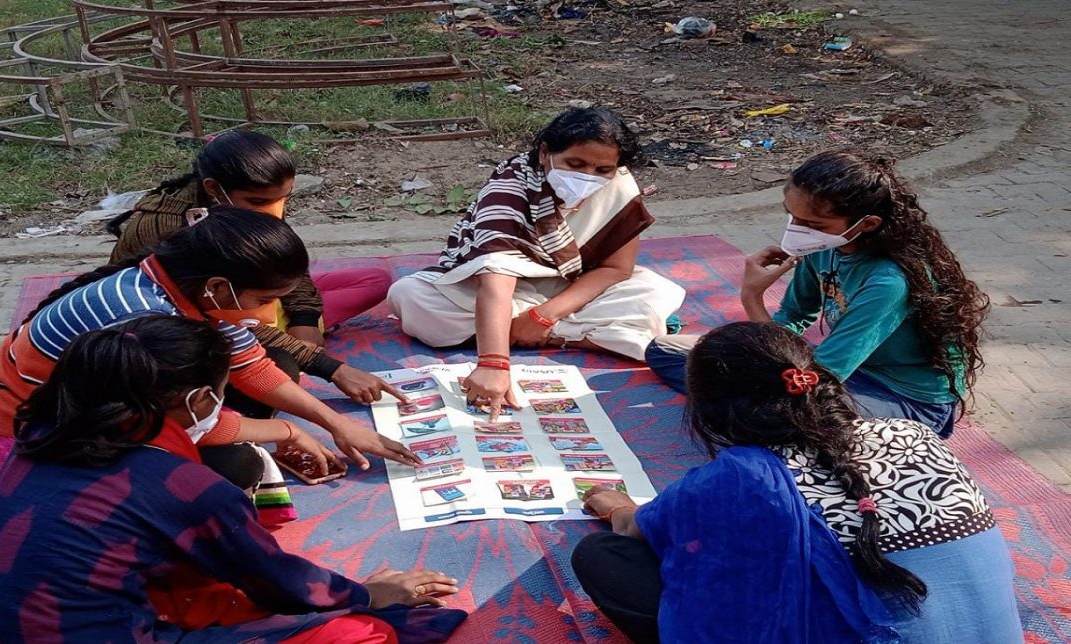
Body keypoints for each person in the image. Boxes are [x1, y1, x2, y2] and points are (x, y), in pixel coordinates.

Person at [0, 317, 466, 642]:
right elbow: (279, 582)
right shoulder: (185, 486)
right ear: (199, 400)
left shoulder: (43, 433)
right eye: (221, 395)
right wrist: (367, 595)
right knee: (363, 633)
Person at [574, 322, 1021, 644]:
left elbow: (637, 529)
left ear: (708, 409)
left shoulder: (742, 477)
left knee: (604, 555)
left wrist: (616, 506)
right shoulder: (914, 433)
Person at [0, 207, 420, 484]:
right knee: (233, 469)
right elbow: (176, 422)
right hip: (50, 431)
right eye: (264, 300)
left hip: (119, 395)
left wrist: (337, 424)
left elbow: (252, 365)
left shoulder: (189, 290)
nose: (270, 315)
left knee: (280, 364)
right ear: (217, 286)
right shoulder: (146, 323)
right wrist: (287, 431)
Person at [646, 150, 988, 437]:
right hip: (836, 372)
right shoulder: (823, 248)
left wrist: (752, 297)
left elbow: (817, 379)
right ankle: (737, 408)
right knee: (665, 351)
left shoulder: (888, 283)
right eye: (792, 217)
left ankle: (737, 410)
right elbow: (793, 319)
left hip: (904, 399)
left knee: (775, 412)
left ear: (867, 224)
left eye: (813, 225)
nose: (797, 231)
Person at [387, 108, 685, 418]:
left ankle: (521, 330)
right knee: (411, 297)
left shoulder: (618, 183)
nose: (588, 177)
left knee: (653, 291)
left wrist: (543, 317)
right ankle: (568, 335)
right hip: (498, 288)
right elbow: (496, 281)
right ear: (545, 153)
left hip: (572, 286)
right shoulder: (509, 188)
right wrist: (494, 363)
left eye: (602, 169)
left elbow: (616, 269)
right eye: (575, 164)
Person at [108, 130, 398, 405]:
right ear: (213, 189)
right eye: (259, 201)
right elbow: (221, 319)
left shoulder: (247, 209)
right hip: (212, 317)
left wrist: (305, 318)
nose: (275, 212)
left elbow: (285, 266)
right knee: (280, 371)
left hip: (246, 301)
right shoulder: (172, 231)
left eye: (282, 199)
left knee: (373, 280)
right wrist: (325, 365)